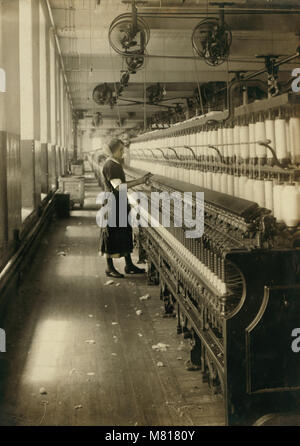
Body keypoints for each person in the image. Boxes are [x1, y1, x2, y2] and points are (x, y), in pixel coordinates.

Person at [99, 138, 153, 278]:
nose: (122, 152)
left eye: (123, 149)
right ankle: (109, 268)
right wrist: (140, 181)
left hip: (120, 203)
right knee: (111, 235)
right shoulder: (111, 165)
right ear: (113, 151)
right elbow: (119, 186)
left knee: (124, 233)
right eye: (120, 150)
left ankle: (129, 265)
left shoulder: (115, 163)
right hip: (113, 205)